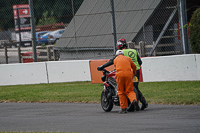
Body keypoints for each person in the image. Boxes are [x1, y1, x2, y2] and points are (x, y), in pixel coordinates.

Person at [97, 38, 148, 110]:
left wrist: (103, 66)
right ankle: (143, 103)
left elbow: (112, 61)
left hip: (126, 71)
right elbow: (140, 62)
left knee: (127, 88)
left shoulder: (120, 53)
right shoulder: (134, 51)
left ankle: (131, 104)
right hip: (136, 72)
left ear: (119, 46)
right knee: (135, 87)